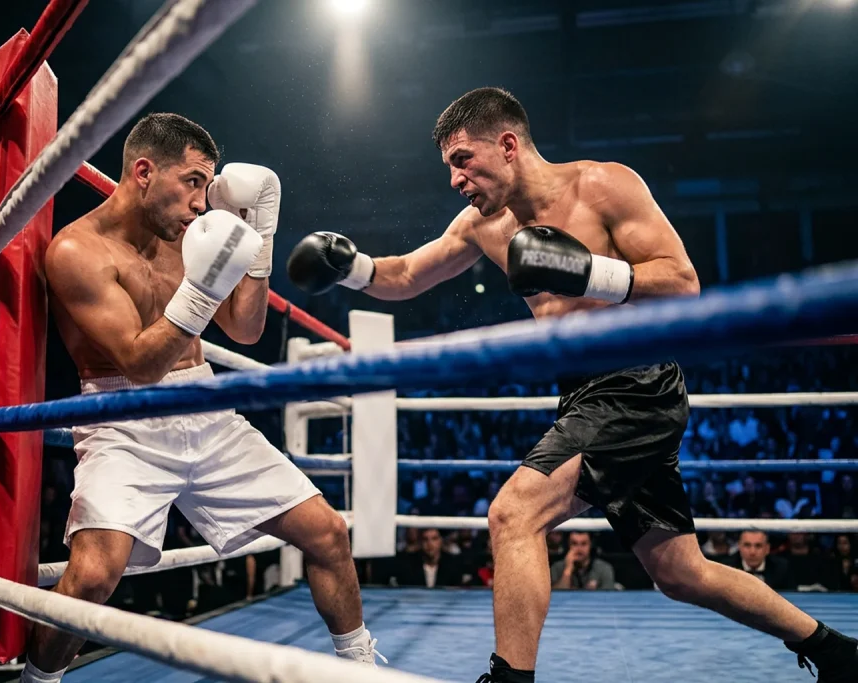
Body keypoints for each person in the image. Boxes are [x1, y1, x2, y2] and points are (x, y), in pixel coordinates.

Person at [287, 87, 857, 681]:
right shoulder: (483, 224)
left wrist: (588, 273)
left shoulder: (603, 185)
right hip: (583, 396)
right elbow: (405, 274)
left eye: (462, 160)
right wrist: (348, 267)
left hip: (637, 385)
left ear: (508, 145)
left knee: (514, 513)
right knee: (681, 572)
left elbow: (683, 283)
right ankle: (837, 652)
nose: (455, 180)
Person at [22, 113, 379, 683]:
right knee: (91, 578)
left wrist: (258, 240)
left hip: (206, 408)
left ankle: (360, 671)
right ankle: (36, 681)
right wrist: (203, 287)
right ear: (144, 172)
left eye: (206, 185)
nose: (200, 201)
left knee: (329, 533)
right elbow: (140, 364)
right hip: (124, 420)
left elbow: (246, 329)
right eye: (192, 181)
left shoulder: (188, 236)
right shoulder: (76, 251)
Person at [723, 530, 794, 591]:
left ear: (767, 548)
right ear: (739, 547)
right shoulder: (727, 568)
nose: (752, 552)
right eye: (747, 545)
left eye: (758, 546)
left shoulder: (781, 568)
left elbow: (791, 597)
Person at [549, 532, 615, 591]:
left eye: (584, 544)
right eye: (574, 544)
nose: (579, 549)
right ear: (568, 545)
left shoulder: (604, 568)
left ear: (591, 545)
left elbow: (608, 597)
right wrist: (567, 570)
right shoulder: (557, 567)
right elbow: (555, 597)